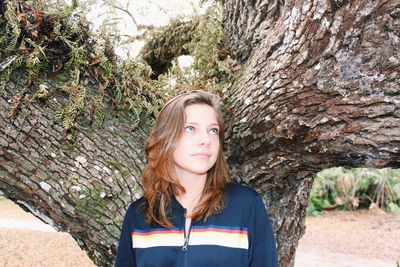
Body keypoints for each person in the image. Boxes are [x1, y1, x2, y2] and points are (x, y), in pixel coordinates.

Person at [115, 90, 278, 267]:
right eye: (190, 128)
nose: (206, 139)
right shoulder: (139, 215)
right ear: (166, 138)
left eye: (213, 130)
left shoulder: (247, 206)